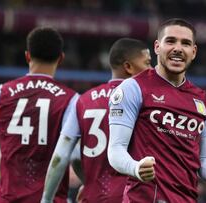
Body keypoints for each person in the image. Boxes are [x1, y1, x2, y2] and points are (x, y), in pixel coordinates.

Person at [107, 18, 206, 202]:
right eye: (170, 41)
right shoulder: (133, 88)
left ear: (193, 52)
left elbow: (205, 160)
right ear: (157, 47)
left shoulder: (203, 100)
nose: (178, 48)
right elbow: (115, 150)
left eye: (185, 43)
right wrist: (135, 167)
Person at [0, 27, 80, 203]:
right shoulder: (72, 100)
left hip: (9, 199)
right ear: (61, 59)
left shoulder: (1, 93)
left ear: (27, 56)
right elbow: (68, 155)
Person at [40, 38, 151, 203]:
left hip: (94, 197)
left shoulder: (83, 101)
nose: (151, 70)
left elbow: (63, 156)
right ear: (128, 67)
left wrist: (47, 199)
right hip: (132, 197)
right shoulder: (147, 102)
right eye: (147, 63)